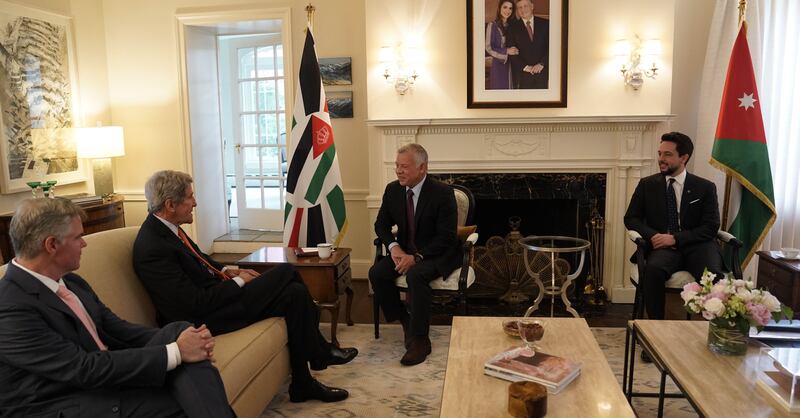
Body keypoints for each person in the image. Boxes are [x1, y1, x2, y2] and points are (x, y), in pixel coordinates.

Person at [133, 170, 357, 403]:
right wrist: (240, 282)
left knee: (295, 293)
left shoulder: (168, 229)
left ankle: (303, 384)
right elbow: (193, 304)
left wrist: (229, 271)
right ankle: (319, 352)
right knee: (286, 271)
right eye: (190, 197)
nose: (195, 202)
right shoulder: (153, 246)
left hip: (215, 301)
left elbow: (200, 260)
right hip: (200, 320)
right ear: (170, 204)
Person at [0, 198, 235, 417]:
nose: (83, 244)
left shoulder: (71, 281)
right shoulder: (10, 308)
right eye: (77, 237)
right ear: (51, 245)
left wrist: (184, 342)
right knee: (189, 401)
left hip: (105, 374)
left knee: (181, 330)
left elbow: (119, 329)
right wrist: (176, 352)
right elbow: (83, 369)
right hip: (69, 400)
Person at [369, 144, 459, 366]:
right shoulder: (392, 190)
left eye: (405, 166)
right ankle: (405, 320)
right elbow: (381, 225)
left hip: (437, 253)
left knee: (416, 276)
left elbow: (446, 237)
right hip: (404, 251)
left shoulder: (442, 193)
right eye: (397, 166)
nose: (399, 171)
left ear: (422, 168)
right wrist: (394, 248)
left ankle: (420, 340)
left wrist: (417, 257)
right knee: (377, 273)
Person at [624, 132, 725, 320]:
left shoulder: (705, 187)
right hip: (664, 248)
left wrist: (676, 238)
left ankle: (713, 330)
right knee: (652, 270)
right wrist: (653, 236)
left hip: (698, 245)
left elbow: (711, 226)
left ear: (684, 157)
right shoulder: (647, 185)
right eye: (660, 153)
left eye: (667, 155)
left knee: (714, 276)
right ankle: (655, 331)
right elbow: (631, 218)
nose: (661, 159)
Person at [506, 0, 549, 89]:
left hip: (543, 72)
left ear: (532, 6)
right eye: (519, 7)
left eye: (525, 6)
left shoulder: (546, 24)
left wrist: (542, 64)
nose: (523, 9)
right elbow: (511, 53)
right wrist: (526, 67)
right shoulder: (512, 27)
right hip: (523, 75)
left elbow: (552, 47)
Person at [485, 0, 519, 89]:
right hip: (499, 64)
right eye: (505, 7)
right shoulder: (492, 25)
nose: (507, 11)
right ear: (499, 8)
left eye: (510, 8)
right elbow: (489, 48)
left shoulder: (513, 25)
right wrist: (506, 51)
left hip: (513, 64)